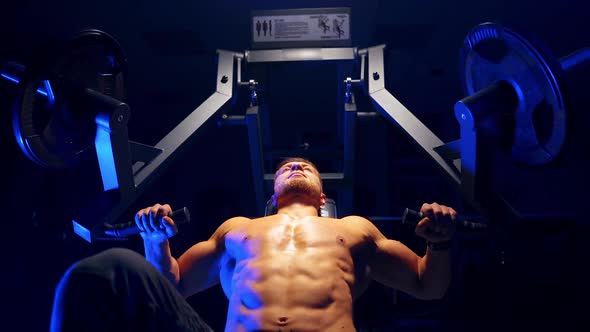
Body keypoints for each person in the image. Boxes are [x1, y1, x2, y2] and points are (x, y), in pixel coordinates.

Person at [50, 157, 457, 332]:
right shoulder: (239, 229)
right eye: (286, 168)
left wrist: (438, 243)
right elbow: (169, 288)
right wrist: (155, 242)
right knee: (105, 272)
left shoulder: (354, 229)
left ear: (322, 199)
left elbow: (428, 284)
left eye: (306, 167)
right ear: (273, 195)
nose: (296, 166)